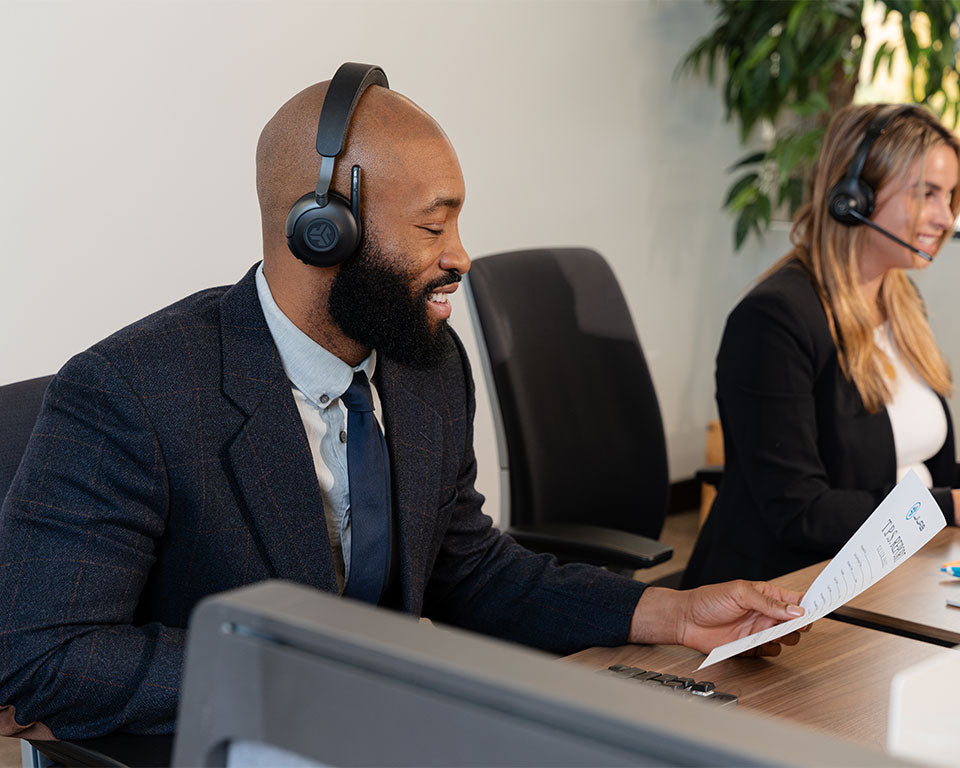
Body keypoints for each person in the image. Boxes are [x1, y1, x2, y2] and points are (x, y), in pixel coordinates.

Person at [0, 65, 805, 741]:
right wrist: (321, 662)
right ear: (323, 230)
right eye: (432, 228)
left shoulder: (424, 365)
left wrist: (670, 613)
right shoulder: (129, 394)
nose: (460, 258)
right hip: (233, 741)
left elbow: (466, 568)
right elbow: (47, 658)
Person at [684, 103, 960, 588]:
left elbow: (928, 466)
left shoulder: (901, 302)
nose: (945, 217)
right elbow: (800, 513)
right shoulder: (774, 321)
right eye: (927, 194)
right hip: (796, 590)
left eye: (951, 196)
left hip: (897, 570)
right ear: (853, 196)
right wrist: (945, 507)